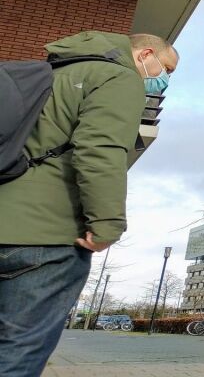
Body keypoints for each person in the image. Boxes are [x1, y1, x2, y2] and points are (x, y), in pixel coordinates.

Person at [0, 31, 178, 377]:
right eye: (166, 68)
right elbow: (99, 150)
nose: (166, 79)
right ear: (144, 55)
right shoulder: (119, 77)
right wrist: (108, 224)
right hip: (45, 238)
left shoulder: (49, 73)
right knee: (17, 351)